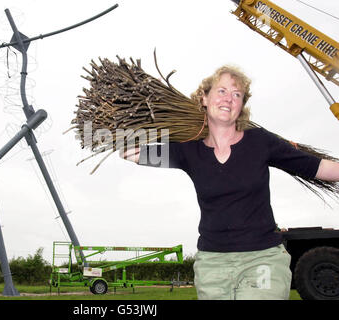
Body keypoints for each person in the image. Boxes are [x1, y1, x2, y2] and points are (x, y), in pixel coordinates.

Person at [120, 65, 339, 300]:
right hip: (212, 264)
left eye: (237, 95)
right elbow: (130, 152)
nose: (229, 99)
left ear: (241, 106)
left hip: (262, 259)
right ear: (204, 98)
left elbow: (319, 168)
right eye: (222, 91)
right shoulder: (188, 150)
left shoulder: (261, 142)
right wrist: (124, 121)